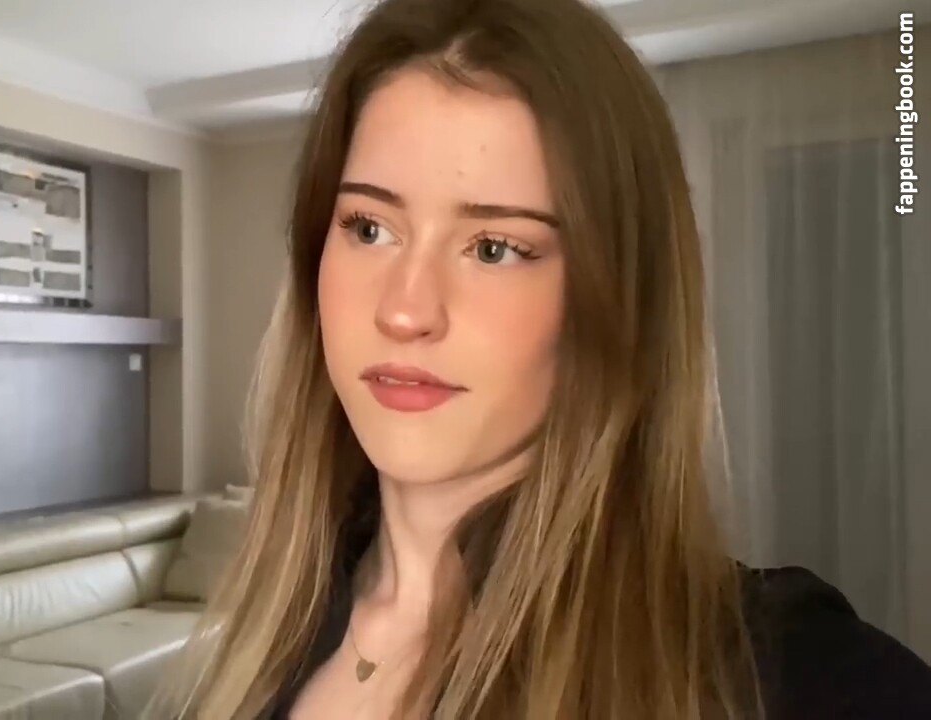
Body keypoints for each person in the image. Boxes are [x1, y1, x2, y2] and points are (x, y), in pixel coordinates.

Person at [152, 0, 931, 717]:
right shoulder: (282, 624)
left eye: (494, 247)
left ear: (614, 296)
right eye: (369, 228)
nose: (404, 310)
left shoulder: (782, 673)